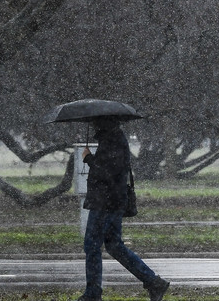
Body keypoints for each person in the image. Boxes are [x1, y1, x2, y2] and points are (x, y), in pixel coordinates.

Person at [76, 117, 169, 301]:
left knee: (92, 245)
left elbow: (107, 172)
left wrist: (88, 159)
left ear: (103, 122)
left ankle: (93, 294)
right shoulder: (112, 138)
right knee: (114, 246)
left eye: (95, 122)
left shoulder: (113, 140)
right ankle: (153, 282)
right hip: (111, 201)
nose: (94, 125)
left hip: (106, 203)